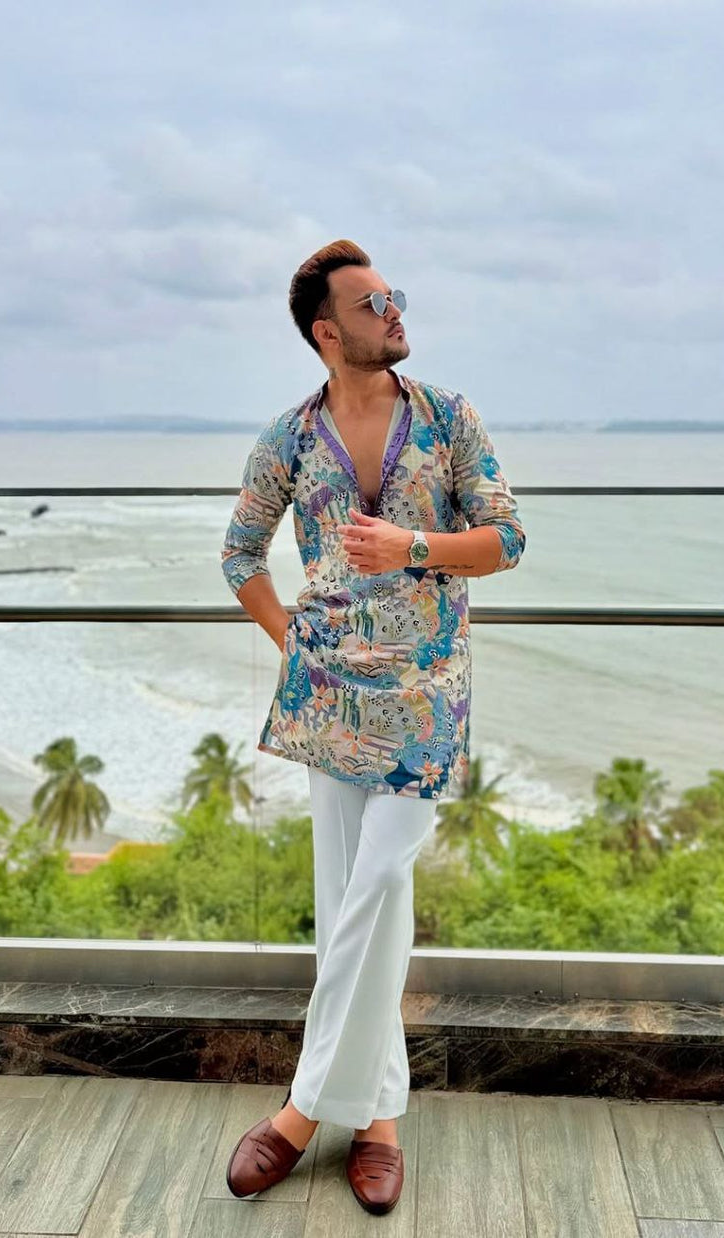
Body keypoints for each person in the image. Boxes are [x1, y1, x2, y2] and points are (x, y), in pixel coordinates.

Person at [221, 239, 526, 1214]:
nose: (393, 311)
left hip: (426, 695)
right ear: (326, 331)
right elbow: (239, 556)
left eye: (393, 296)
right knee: (351, 896)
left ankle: (301, 1110)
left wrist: (413, 545)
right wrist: (293, 644)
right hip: (328, 700)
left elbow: (507, 540)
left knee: (381, 879)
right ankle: (379, 1119)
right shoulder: (287, 438)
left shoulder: (448, 418)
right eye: (370, 302)